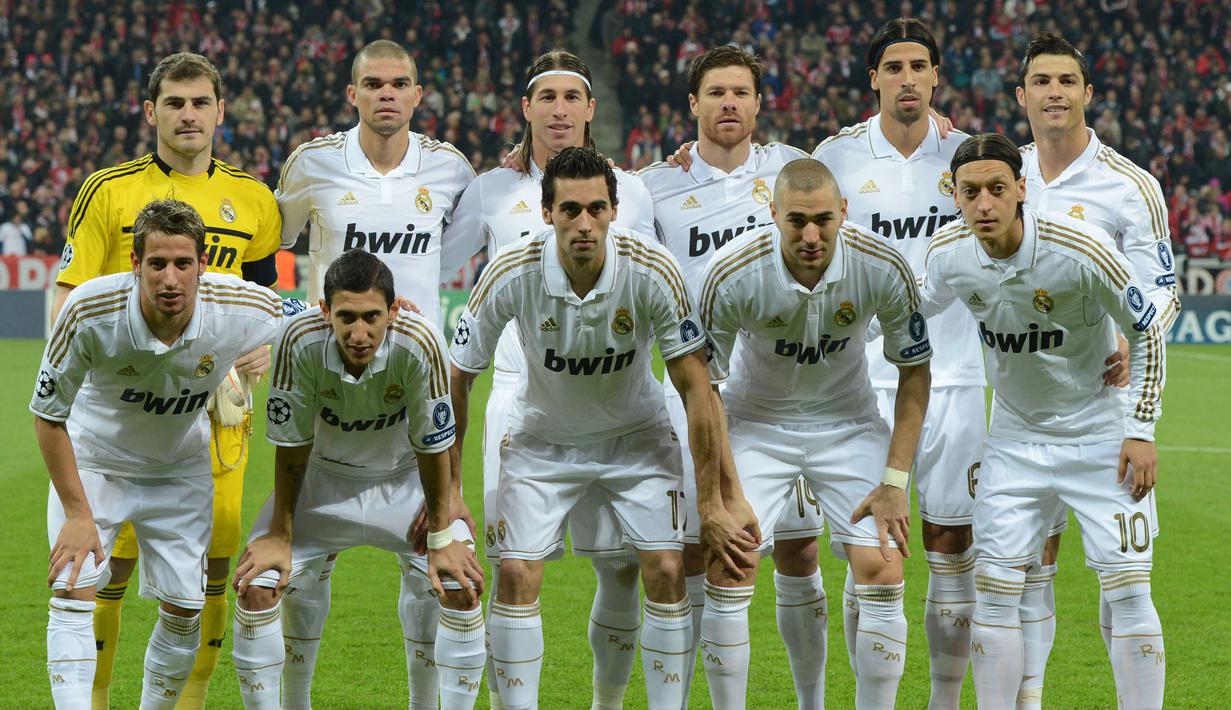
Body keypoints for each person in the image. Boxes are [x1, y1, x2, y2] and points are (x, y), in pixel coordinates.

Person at [449, 147, 735, 710]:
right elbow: (459, 376)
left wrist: (715, 500)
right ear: (545, 211)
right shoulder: (510, 270)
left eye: (597, 209)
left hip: (635, 437)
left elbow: (696, 388)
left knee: (668, 568)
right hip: (540, 441)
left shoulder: (651, 269)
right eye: (570, 209)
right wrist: (452, 491)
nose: (585, 224)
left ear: (614, 209)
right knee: (516, 577)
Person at [51, 52, 282, 710]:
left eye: (200, 102)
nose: (188, 114)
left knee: (216, 555)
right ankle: (95, 699)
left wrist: (258, 354)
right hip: (129, 405)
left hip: (217, 411)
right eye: (175, 103)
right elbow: (68, 298)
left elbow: (261, 295)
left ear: (219, 111)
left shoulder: (255, 201)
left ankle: (189, 701)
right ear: (152, 112)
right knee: (112, 562)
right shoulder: (109, 190)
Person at [438, 49, 656, 710]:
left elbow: (650, 286)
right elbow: (438, 268)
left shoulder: (632, 190)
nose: (558, 110)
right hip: (514, 394)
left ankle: (607, 704)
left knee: (620, 566)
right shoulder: (488, 191)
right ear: (525, 108)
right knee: (512, 568)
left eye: (571, 97)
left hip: (609, 393)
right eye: (546, 98)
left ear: (590, 109)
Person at [921, 133, 1166, 710]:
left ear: (1021, 189)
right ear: (954, 196)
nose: (984, 203)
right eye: (971, 191)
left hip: (1099, 437)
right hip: (1012, 442)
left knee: (1129, 590)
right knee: (996, 593)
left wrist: (1141, 428)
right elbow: (907, 304)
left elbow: (1146, 329)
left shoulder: (1081, 249)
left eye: (997, 189)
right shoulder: (947, 253)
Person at [274, 39, 476, 707]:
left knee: (431, 576)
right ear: (351, 93)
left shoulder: (450, 170)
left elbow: (482, 238)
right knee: (302, 573)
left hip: (415, 397)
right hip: (329, 393)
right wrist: (278, 326)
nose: (387, 93)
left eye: (400, 83)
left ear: (419, 95)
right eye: (373, 83)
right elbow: (266, 247)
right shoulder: (312, 164)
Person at [635, 45, 828, 708]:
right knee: (697, 553)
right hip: (693, 391)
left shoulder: (792, 171)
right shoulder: (652, 186)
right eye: (714, 92)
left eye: (739, 92)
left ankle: (811, 701)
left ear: (756, 102)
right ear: (692, 103)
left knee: (799, 553)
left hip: (782, 389)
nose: (727, 103)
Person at [699, 158, 931, 709]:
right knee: (731, 567)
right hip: (756, 423)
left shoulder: (882, 267)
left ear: (844, 212)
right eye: (796, 220)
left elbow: (915, 373)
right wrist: (720, 490)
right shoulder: (732, 273)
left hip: (848, 423)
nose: (810, 235)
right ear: (773, 213)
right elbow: (703, 389)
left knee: (881, 566)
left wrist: (895, 482)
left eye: (824, 220)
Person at [809, 20, 984, 707]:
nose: (906, 77)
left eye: (918, 65)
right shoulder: (836, 157)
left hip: (955, 375)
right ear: (873, 79)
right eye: (893, 66)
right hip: (861, 381)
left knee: (948, 541)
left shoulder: (968, 155)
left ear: (936, 75)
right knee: (869, 560)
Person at [229, 249, 486, 710]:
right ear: (325, 311)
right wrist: (281, 534)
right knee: (255, 586)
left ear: (393, 309)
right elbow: (291, 447)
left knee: (459, 588)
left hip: (405, 481)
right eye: (346, 317)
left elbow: (433, 445)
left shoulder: (420, 338)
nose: (360, 333)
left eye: (372, 316)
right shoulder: (299, 337)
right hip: (320, 480)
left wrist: (444, 528)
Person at [1012, 33, 1180, 707]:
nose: (1053, 91)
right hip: (1023, 406)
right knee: (1027, 570)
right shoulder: (1006, 175)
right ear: (1020, 95)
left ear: (1086, 93)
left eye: (1065, 81)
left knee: (1125, 577)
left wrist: (1129, 327)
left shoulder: (1130, 184)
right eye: (1040, 81)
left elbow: (1164, 289)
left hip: (1104, 408)